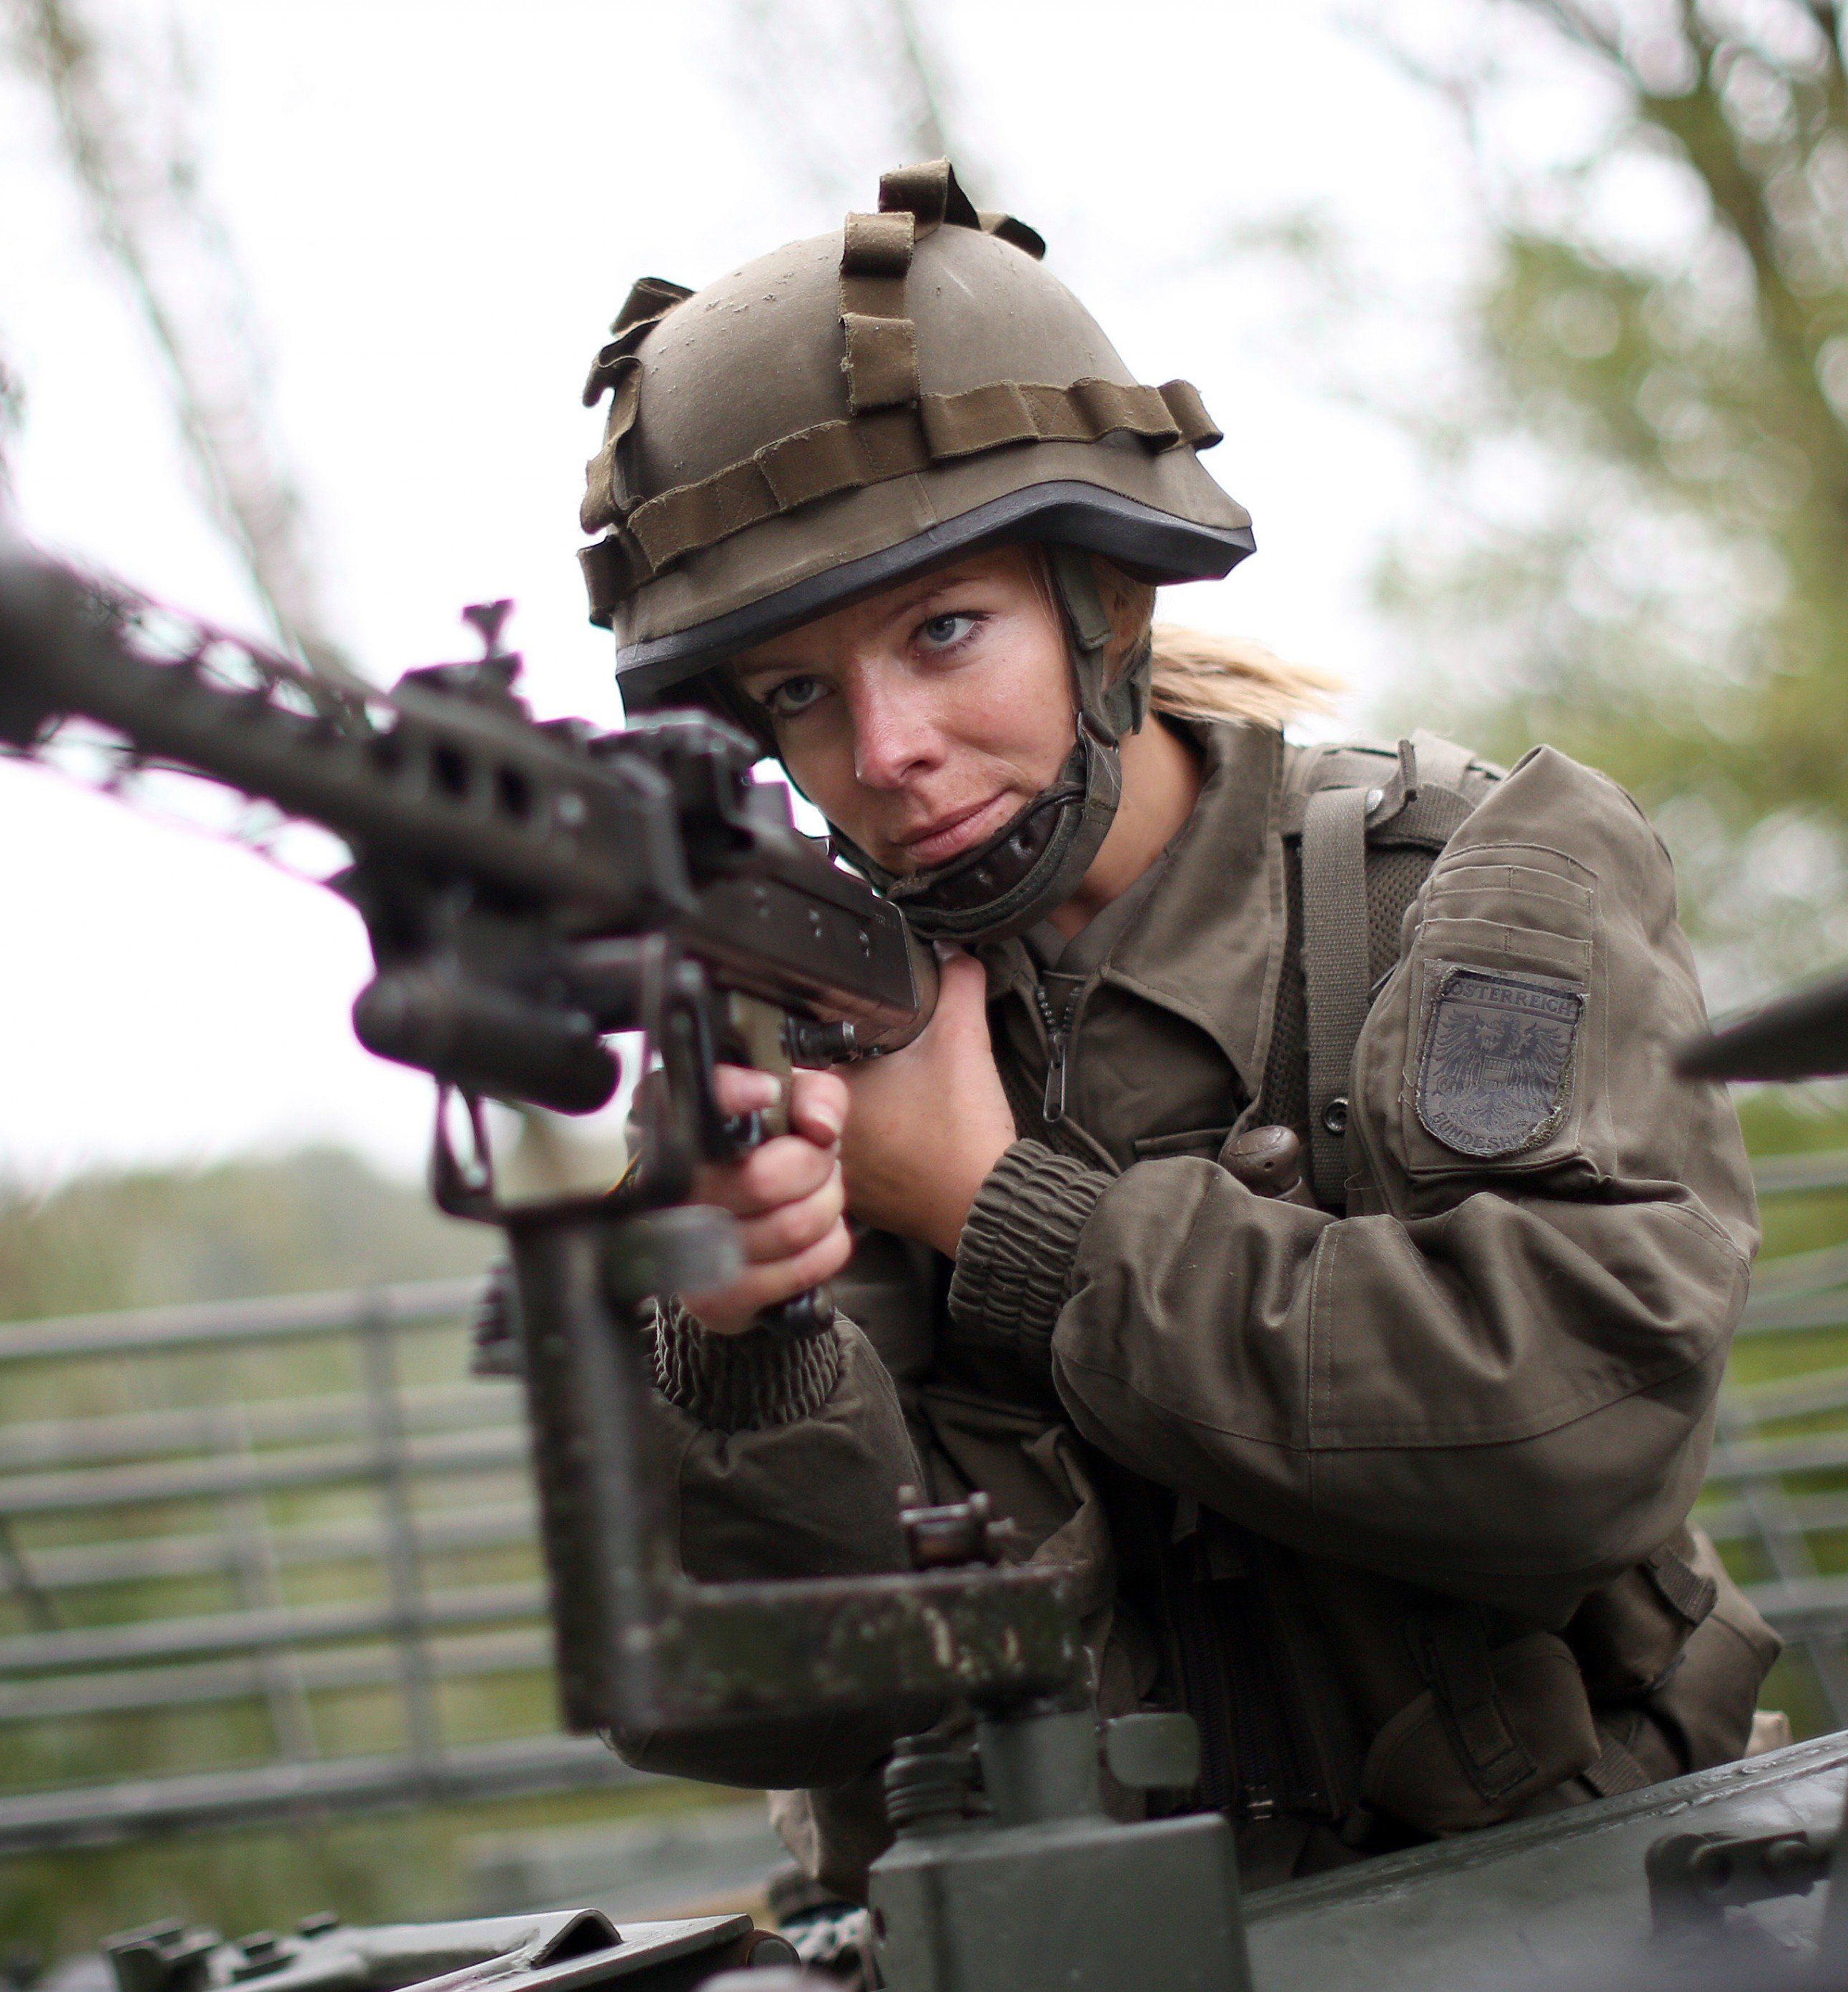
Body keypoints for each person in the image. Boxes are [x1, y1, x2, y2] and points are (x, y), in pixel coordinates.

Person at [577, 162, 1777, 1896]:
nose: (885, 749)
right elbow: (738, 1702)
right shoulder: (780, 1045)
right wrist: (738, 1342)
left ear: (1110, 597)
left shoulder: (1470, 881)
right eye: (798, 693)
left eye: (944, 630)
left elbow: (1575, 1439)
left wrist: (995, 1209)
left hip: (1549, 1901)